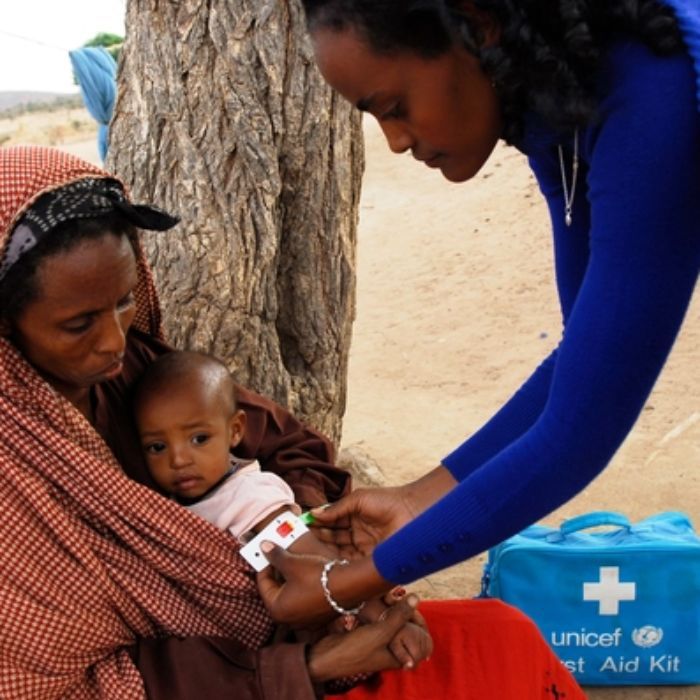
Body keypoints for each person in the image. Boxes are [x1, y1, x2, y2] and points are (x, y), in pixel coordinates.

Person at [252, 0, 700, 625]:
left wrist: (349, 583)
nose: (397, 141)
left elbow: (580, 430)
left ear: (478, 26)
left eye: (396, 107)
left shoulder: (651, 93)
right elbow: (584, 358)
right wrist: (416, 501)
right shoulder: (555, 112)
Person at [0, 144, 431, 699]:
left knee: (502, 640)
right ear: (8, 325)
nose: (112, 339)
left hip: (300, 640)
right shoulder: (14, 482)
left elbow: (287, 444)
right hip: (256, 679)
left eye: (125, 301)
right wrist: (305, 668)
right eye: (79, 323)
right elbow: (56, 685)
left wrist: (291, 533)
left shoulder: (135, 368)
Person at [131, 349, 430, 667]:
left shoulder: (251, 498)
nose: (178, 459)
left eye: (199, 438)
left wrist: (383, 618)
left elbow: (318, 563)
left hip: (287, 636)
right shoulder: (170, 504)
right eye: (157, 447)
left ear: (235, 431)